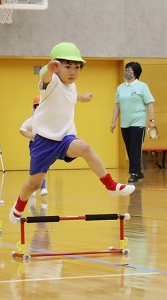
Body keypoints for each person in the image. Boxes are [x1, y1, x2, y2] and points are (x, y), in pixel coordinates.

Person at [9, 42, 135, 224]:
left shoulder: (72, 86)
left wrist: (84, 98)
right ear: (56, 66)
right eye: (67, 67)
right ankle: (19, 206)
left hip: (65, 138)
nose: (73, 72)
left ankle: (110, 185)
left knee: (85, 148)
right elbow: (44, 79)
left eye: (77, 67)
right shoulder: (51, 82)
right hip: (44, 140)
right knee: (34, 184)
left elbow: (74, 95)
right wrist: (49, 71)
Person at [110, 62, 156, 182]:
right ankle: (138, 171)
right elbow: (117, 106)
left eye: (129, 70)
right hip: (125, 123)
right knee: (130, 148)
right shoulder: (120, 88)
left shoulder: (142, 86)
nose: (126, 72)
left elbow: (149, 103)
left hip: (138, 122)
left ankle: (134, 173)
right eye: (125, 70)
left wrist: (152, 121)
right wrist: (113, 121)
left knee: (135, 147)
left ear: (136, 72)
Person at [20, 95, 48, 197]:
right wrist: (30, 136)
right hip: (35, 145)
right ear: (34, 108)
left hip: (45, 145)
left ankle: (43, 187)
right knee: (35, 166)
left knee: (44, 165)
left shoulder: (48, 120)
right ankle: (33, 188)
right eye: (37, 106)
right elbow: (22, 130)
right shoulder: (31, 120)